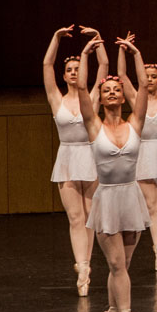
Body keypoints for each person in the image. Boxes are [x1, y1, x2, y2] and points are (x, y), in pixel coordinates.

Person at [76, 34, 152, 312]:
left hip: (131, 198)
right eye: (106, 89)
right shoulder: (94, 126)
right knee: (117, 265)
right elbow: (82, 89)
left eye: (115, 89)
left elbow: (144, 86)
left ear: (122, 96)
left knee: (121, 266)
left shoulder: (135, 124)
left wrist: (135, 53)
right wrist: (84, 54)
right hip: (107, 199)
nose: (110, 92)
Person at [43, 24, 108, 296]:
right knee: (74, 217)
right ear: (64, 75)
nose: (72, 72)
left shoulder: (92, 97)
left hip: (89, 156)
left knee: (89, 216)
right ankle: (81, 267)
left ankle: (86, 265)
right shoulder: (56, 99)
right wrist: (55, 38)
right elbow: (47, 65)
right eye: (69, 70)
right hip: (67, 157)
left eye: (77, 69)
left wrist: (97, 40)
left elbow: (104, 64)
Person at [117, 31, 157, 273]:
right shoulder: (136, 99)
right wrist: (123, 50)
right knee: (152, 205)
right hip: (144, 153)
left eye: (154, 77)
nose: (151, 80)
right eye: (147, 77)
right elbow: (122, 76)